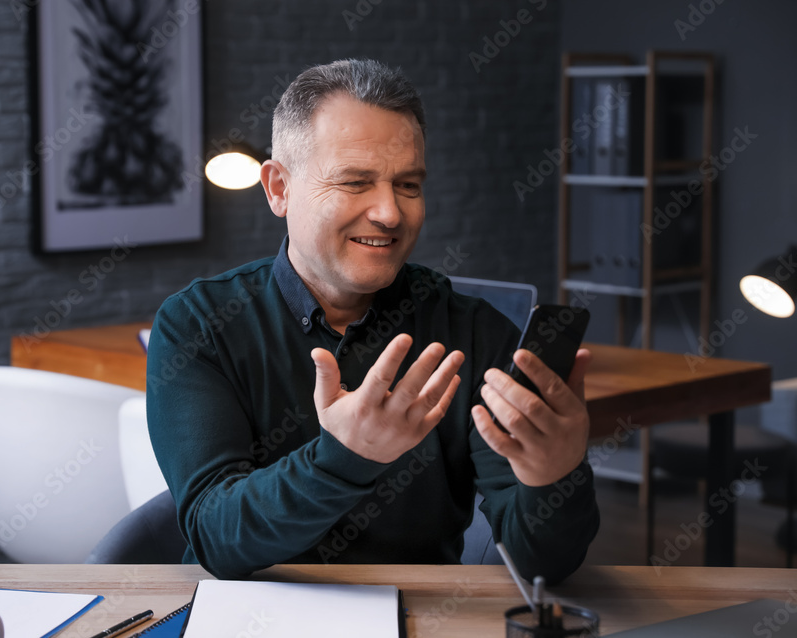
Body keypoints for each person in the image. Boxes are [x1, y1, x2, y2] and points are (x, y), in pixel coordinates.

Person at [146, 59, 599, 583]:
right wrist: (343, 459)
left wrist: (554, 476)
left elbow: (544, 566)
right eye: (356, 182)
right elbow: (215, 537)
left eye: (408, 184)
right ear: (278, 188)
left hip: (419, 617)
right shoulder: (198, 324)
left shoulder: (475, 333)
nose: (389, 213)